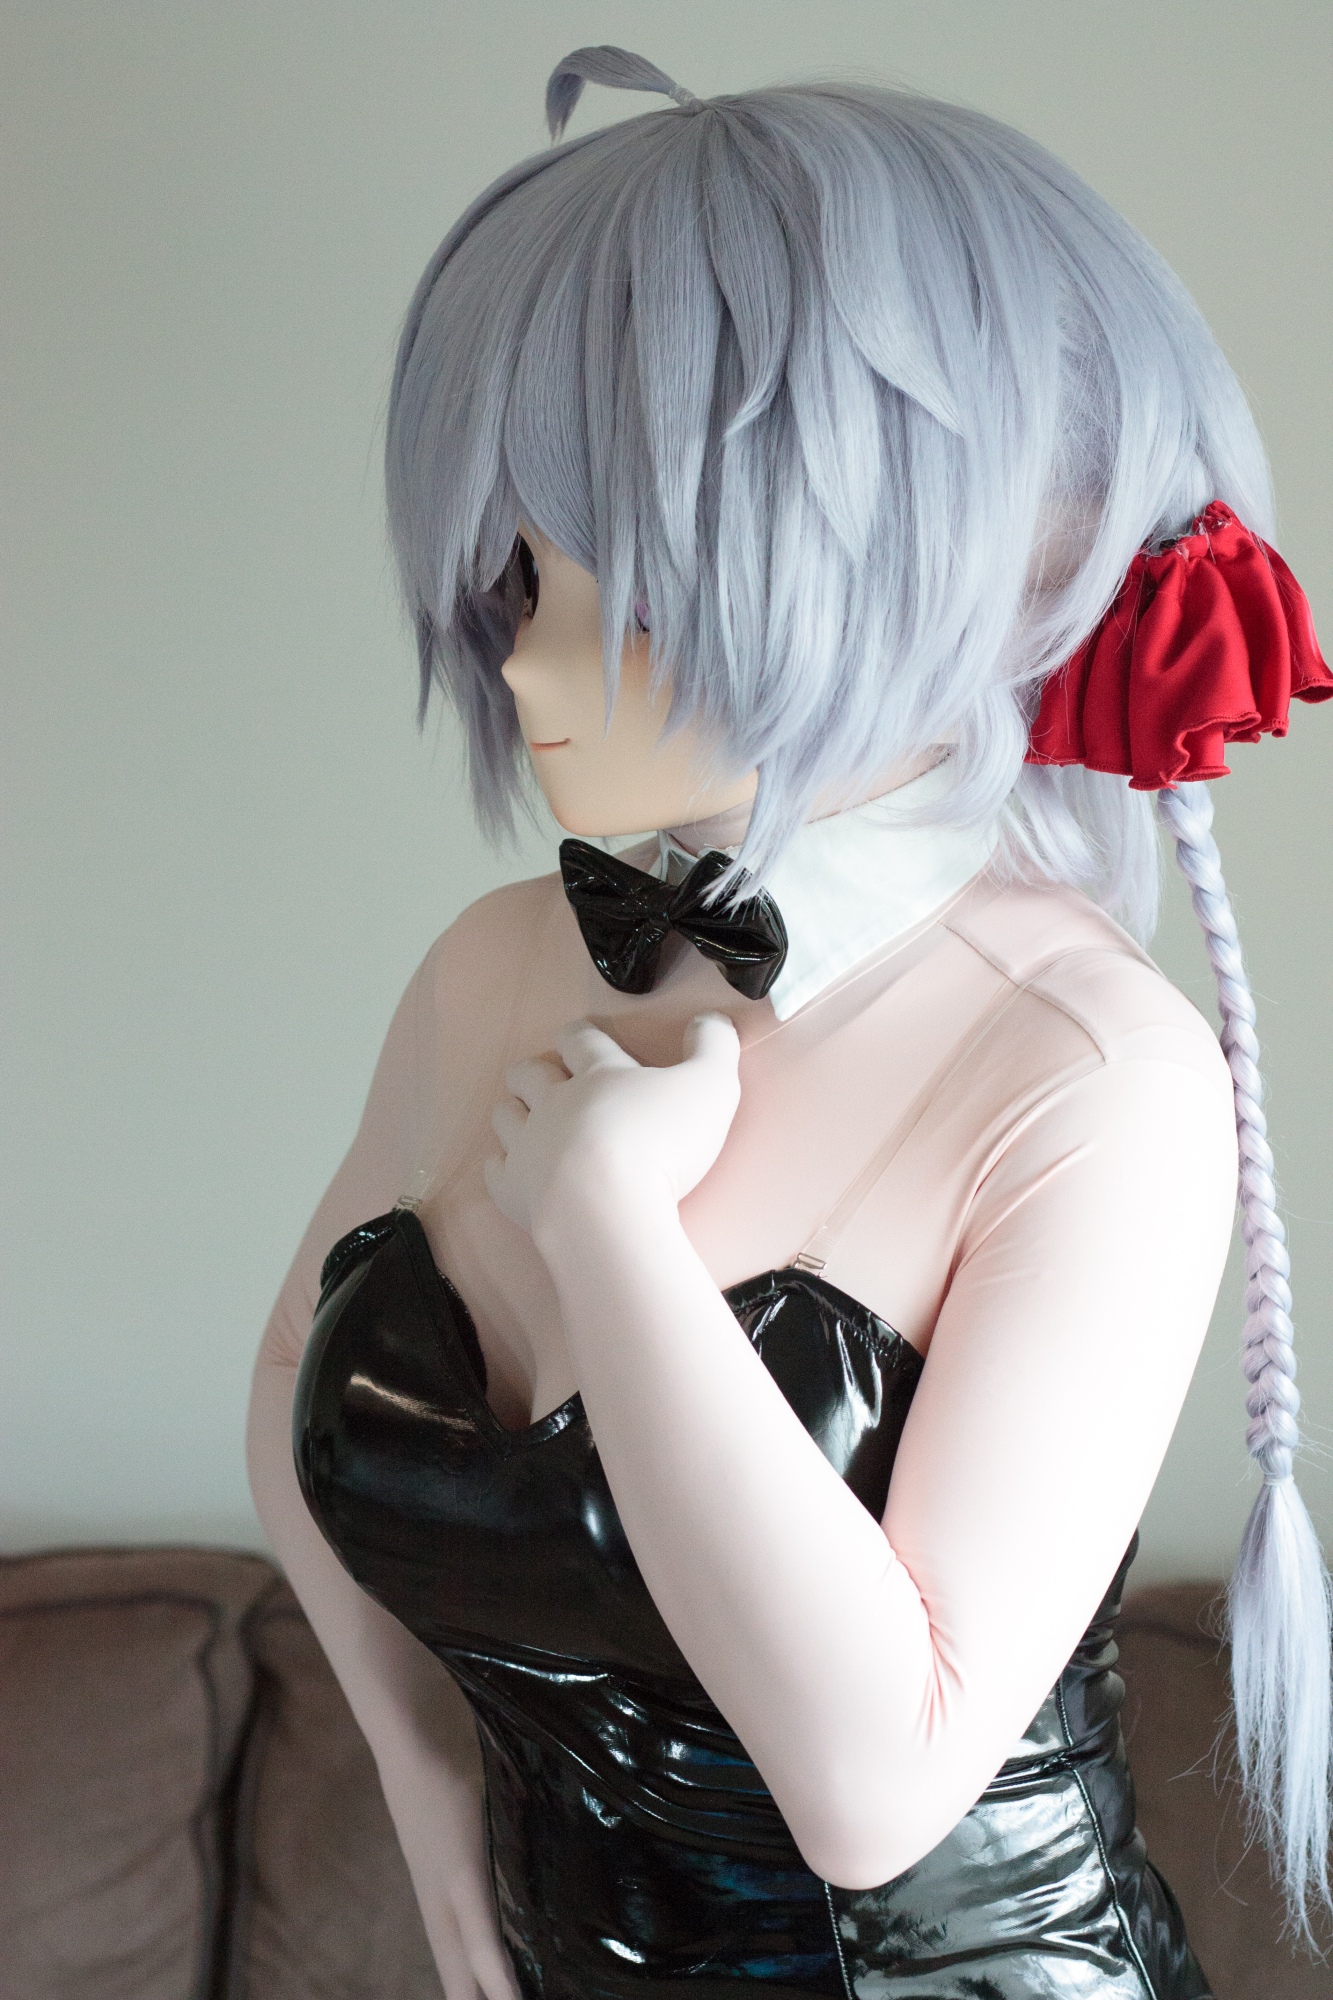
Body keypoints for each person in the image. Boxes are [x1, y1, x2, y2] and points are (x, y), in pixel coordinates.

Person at [246, 47, 1333, 1999]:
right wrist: (431, 1809)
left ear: (919, 561)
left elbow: (877, 1788)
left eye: (630, 590)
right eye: (515, 570)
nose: (526, 658)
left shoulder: (1093, 1076)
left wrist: (610, 1234)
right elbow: (286, 1409)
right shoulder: (494, 963)